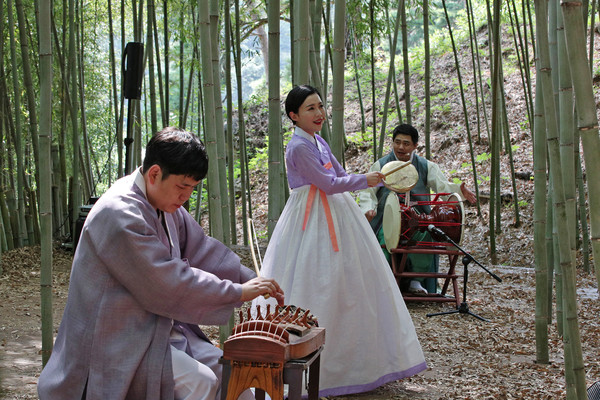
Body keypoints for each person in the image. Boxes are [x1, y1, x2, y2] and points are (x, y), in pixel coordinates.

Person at [38, 127, 284, 400]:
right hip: (117, 339)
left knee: (232, 380)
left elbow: (202, 249)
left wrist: (250, 280)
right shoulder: (120, 214)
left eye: (192, 188)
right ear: (154, 173)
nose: (186, 197)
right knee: (200, 382)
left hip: (159, 328)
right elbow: (168, 282)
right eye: (183, 186)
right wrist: (237, 292)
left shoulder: (163, 203)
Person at [253, 85, 427, 397]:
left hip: (334, 212)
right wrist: (366, 180)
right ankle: (313, 363)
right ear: (293, 116)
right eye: (310, 108)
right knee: (314, 281)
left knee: (353, 283)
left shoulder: (318, 141)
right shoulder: (298, 147)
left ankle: (362, 364)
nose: (319, 113)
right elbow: (326, 183)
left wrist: (361, 196)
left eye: (319, 106)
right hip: (311, 219)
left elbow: (339, 174)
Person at [358, 123, 476, 294]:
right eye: (397, 142)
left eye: (406, 143)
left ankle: (416, 280)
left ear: (415, 146)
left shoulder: (425, 166)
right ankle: (383, 282)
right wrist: (368, 209)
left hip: (419, 220)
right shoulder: (381, 165)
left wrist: (460, 191)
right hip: (387, 217)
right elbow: (368, 191)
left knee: (428, 232)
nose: (400, 147)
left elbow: (443, 188)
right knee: (386, 237)